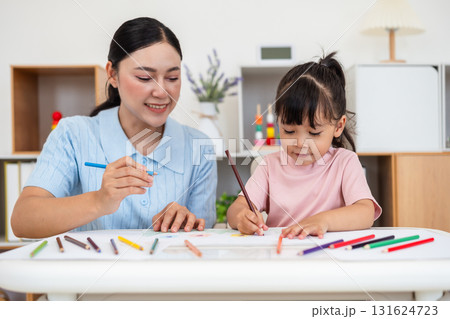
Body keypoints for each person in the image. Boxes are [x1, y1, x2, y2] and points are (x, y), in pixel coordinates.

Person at [11, 17, 217, 238]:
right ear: (112, 74)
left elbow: (201, 239)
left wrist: (187, 221)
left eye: (172, 77)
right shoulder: (73, 134)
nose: (161, 92)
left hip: (165, 272)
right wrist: (99, 201)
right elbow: (23, 220)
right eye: (144, 77)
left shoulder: (199, 146)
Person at [227, 52, 381, 238]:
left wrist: (323, 221)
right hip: (280, 257)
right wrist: (241, 216)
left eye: (314, 133)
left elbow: (365, 213)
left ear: (338, 126)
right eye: (289, 131)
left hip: (329, 255)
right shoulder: (270, 166)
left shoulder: (345, 162)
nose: (300, 143)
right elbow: (236, 209)